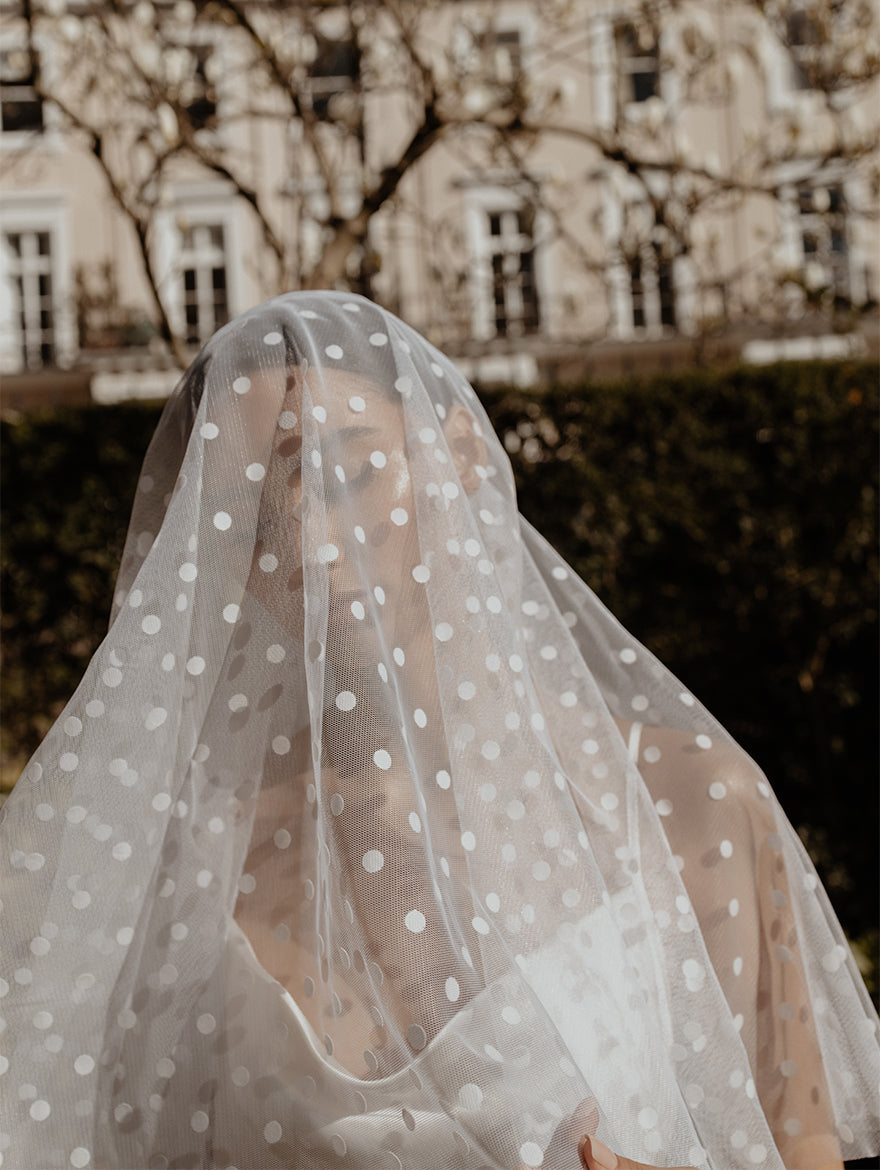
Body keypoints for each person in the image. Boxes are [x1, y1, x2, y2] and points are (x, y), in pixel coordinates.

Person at [1, 291, 877, 1170]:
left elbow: (791, 1142)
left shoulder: (690, 803)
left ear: (456, 448)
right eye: (251, 507)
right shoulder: (185, 871)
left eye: (341, 468)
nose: (304, 539)